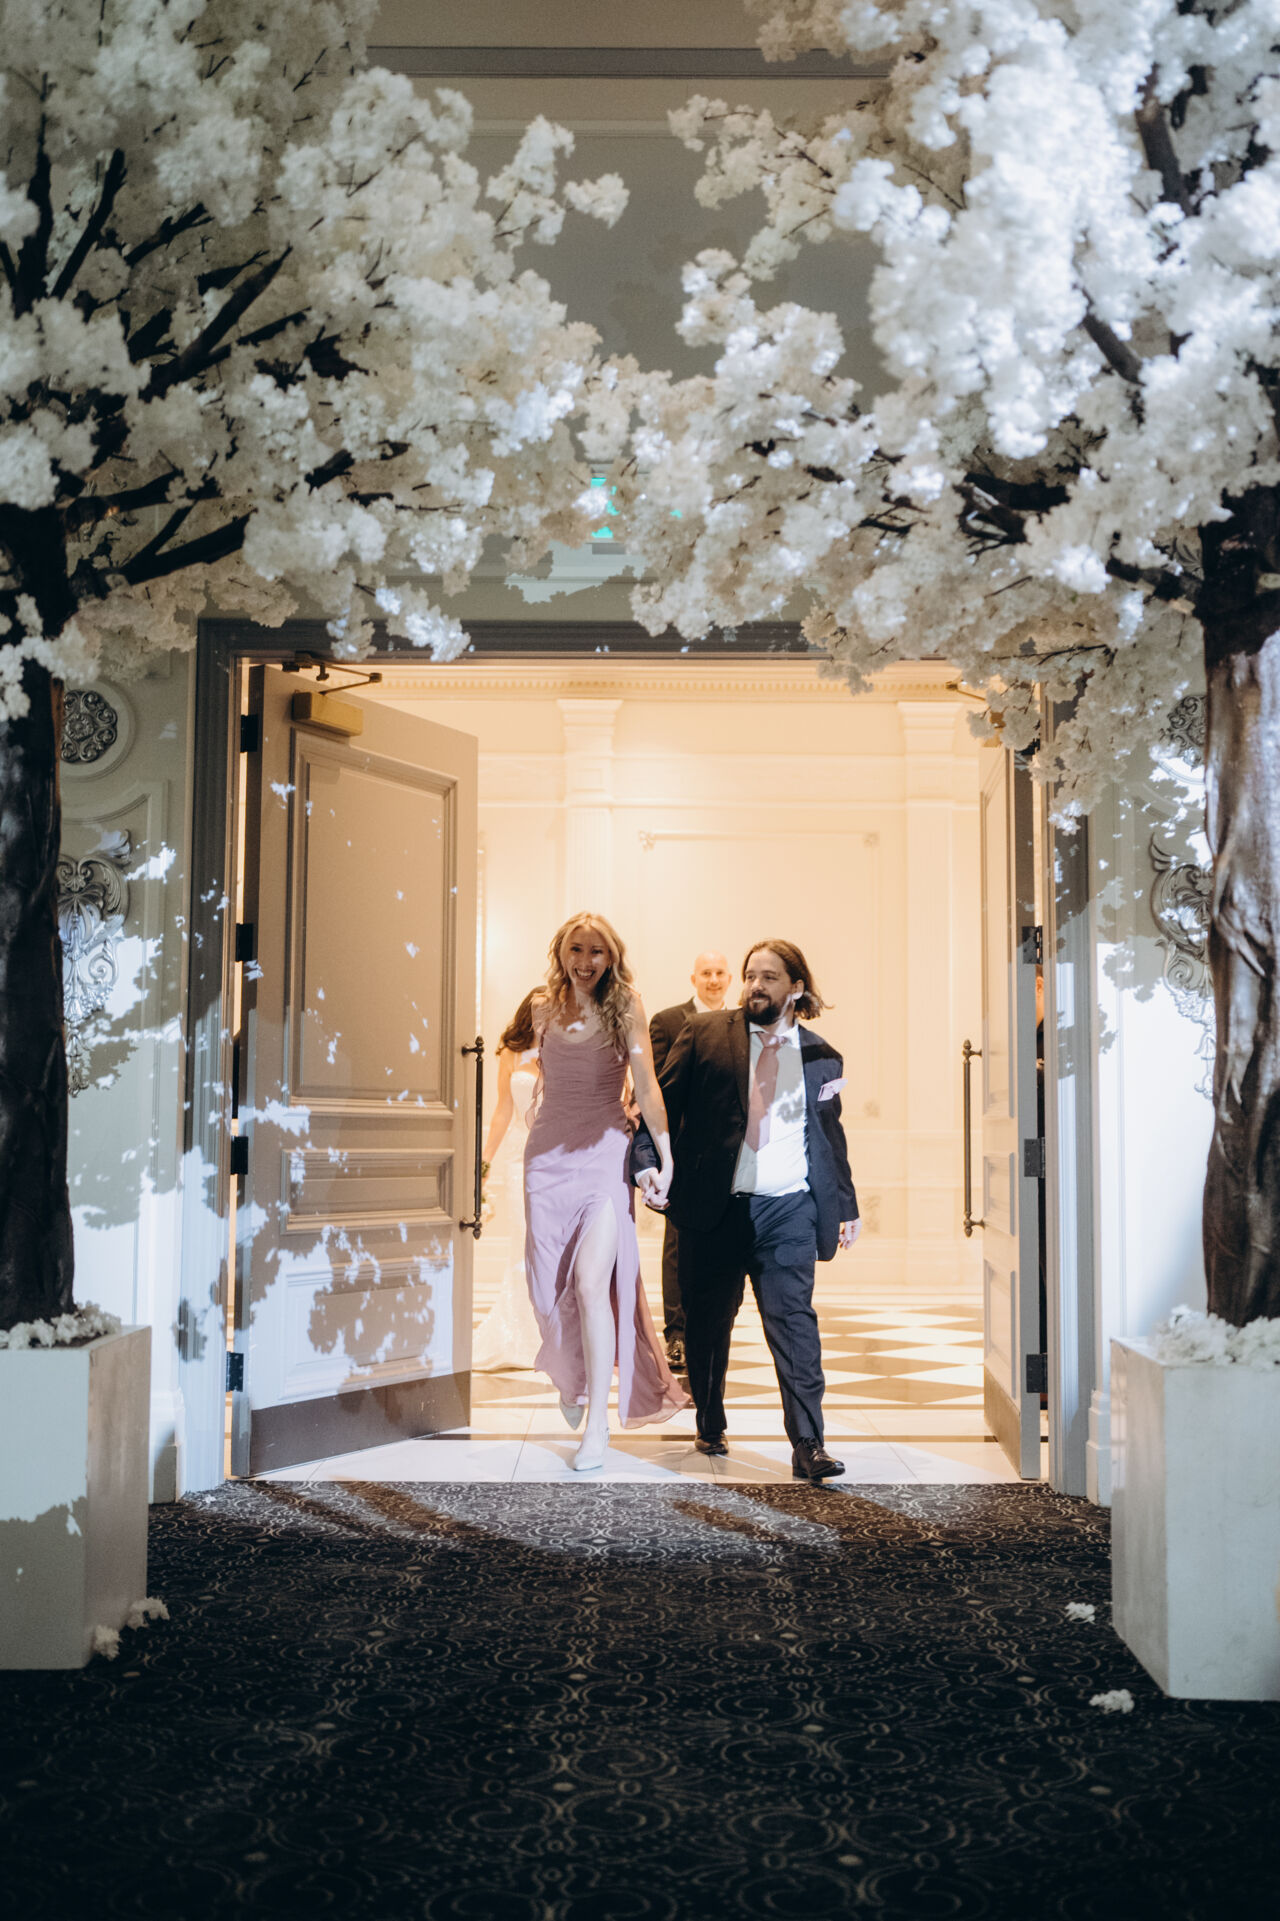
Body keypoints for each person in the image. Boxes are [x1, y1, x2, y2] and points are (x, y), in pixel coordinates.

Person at [641, 939, 859, 1482]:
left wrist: (845, 1204)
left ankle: (808, 1443)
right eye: (751, 975)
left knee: (795, 1323)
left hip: (788, 1209)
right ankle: (710, 1420)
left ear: (796, 988)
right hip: (714, 1207)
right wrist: (646, 1164)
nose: (755, 985)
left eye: (769, 977)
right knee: (707, 1325)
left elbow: (829, 1136)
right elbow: (659, 1106)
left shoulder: (822, 1056)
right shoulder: (705, 1034)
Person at [523, 912, 690, 1470]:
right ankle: (570, 1375)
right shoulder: (540, 1007)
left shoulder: (627, 1006)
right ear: (560, 952)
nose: (586, 961)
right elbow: (533, 1076)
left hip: (604, 1157)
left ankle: (597, 1423)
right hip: (546, 1159)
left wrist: (665, 1156)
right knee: (546, 1288)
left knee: (593, 1282)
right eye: (577, 949)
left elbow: (647, 1085)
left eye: (597, 951)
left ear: (611, 957)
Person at [648, 951, 732, 1372]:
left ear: (729, 978)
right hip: (682, 1151)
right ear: (693, 978)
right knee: (678, 1243)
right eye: (706, 973)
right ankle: (677, 1334)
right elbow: (655, 1088)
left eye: (719, 973)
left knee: (724, 1242)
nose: (713, 979)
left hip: (729, 1153)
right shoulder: (667, 1022)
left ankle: (712, 1330)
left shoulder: (741, 1023)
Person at [472, 991, 544, 1372]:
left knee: (553, 1243)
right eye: (538, 1009)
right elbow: (502, 1109)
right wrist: (484, 1161)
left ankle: (553, 1332)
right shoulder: (512, 1052)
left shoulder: (568, 1047)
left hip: (557, 1158)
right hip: (519, 1157)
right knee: (524, 1238)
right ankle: (521, 1329)